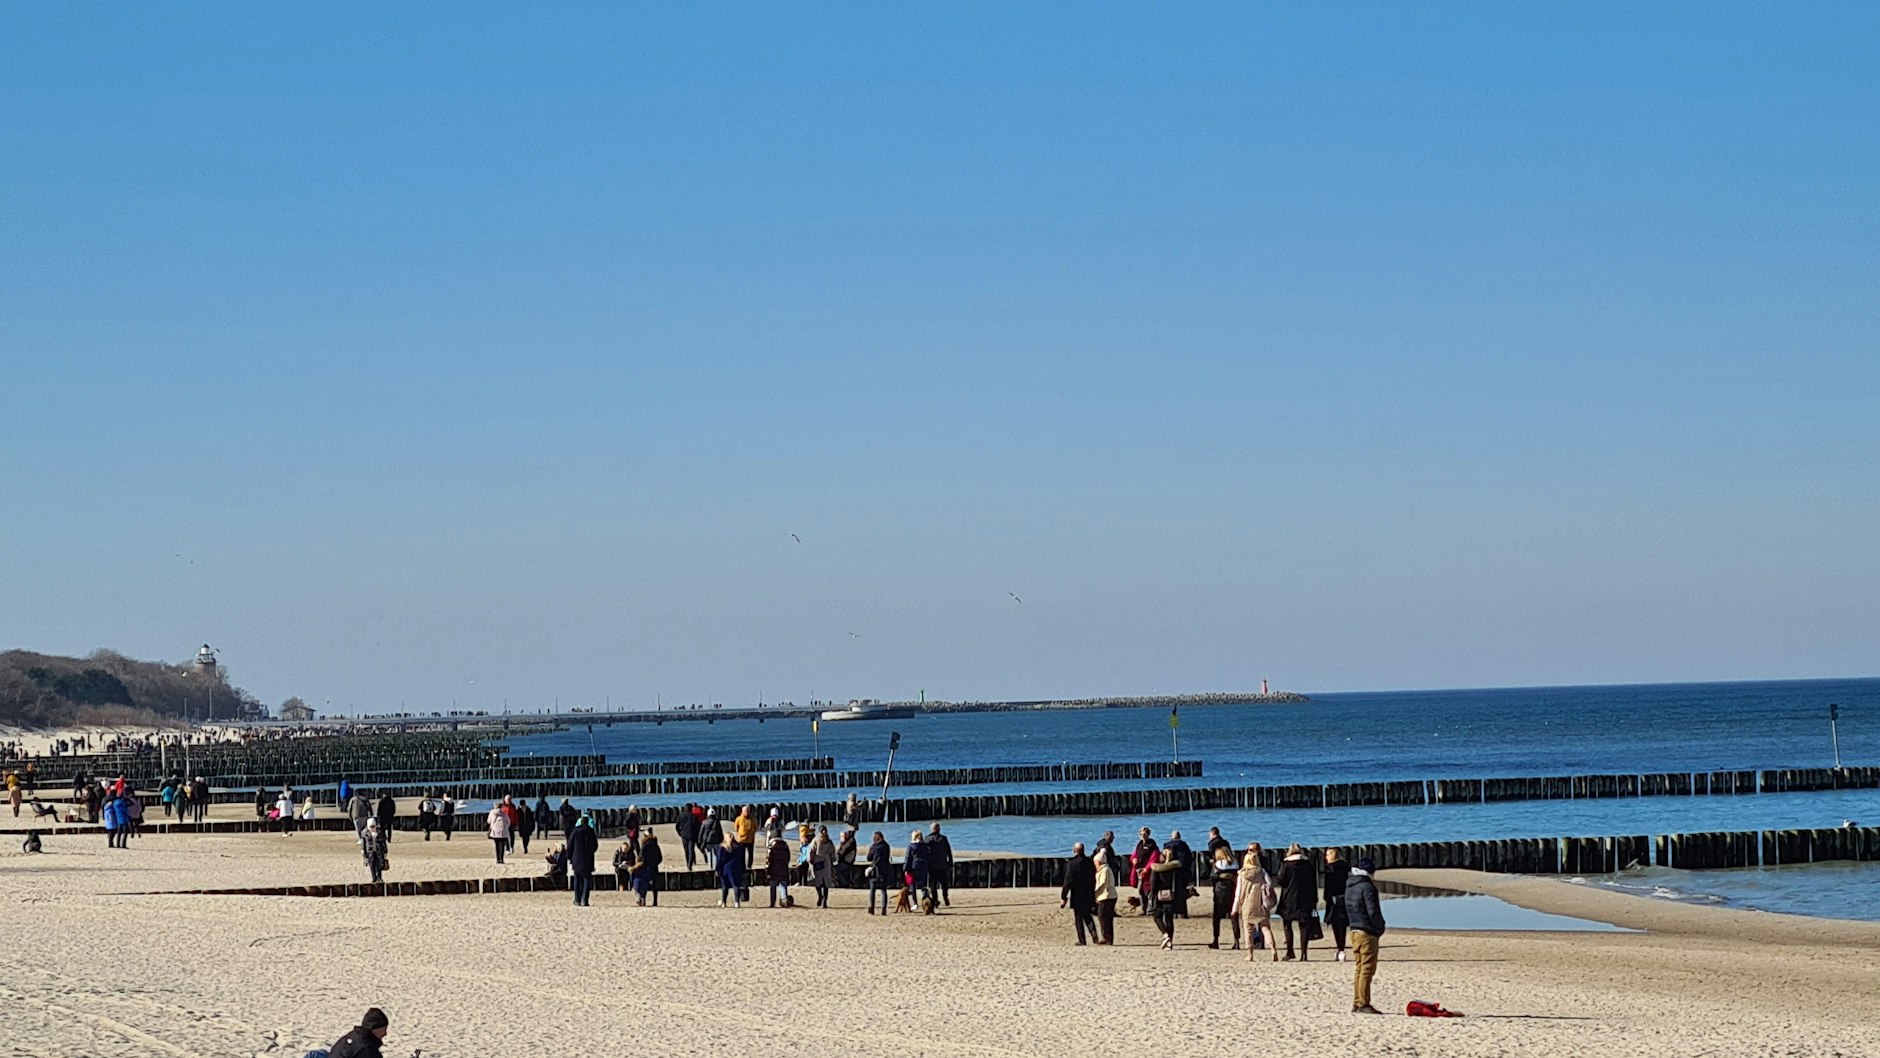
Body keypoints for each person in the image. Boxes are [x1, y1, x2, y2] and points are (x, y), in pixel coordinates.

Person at [1346, 856, 1386, 1014]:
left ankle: (1357, 1001)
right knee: (1367, 969)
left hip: (1354, 929)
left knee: (1359, 968)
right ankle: (1363, 1003)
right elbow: (1373, 912)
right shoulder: (1367, 887)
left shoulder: (1350, 885)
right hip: (1366, 931)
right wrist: (1380, 927)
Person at [1233, 842, 1279, 960]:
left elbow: (1238, 893)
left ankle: (1250, 954)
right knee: (1265, 927)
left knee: (1248, 929)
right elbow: (1269, 885)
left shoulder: (1242, 875)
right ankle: (1273, 949)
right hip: (1260, 902)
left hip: (1247, 905)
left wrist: (1235, 908)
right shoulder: (1262, 872)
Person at [1276, 843, 1319, 961]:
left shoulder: (1286, 865)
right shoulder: (1308, 864)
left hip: (1289, 898)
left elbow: (1280, 881)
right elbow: (1313, 882)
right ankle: (1304, 954)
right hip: (1305, 898)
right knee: (1304, 926)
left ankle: (1290, 951)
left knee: (1287, 925)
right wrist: (1315, 899)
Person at [1146, 844, 1186, 948]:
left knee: (1157, 917)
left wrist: (1152, 894)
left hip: (1159, 897)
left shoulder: (1157, 869)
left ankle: (1165, 935)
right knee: (1169, 919)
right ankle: (1170, 942)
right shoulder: (1176, 869)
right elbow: (1180, 883)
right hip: (1171, 896)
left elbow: (1153, 884)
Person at [1060, 841, 1098, 945]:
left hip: (1077, 894)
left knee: (1078, 918)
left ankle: (1082, 940)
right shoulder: (1089, 862)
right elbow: (1093, 877)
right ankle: (1094, 934)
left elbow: (1068, 881)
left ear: (1074, 850)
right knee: (1087, 916)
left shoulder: (1072, 863)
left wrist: (1063, 896)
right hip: (1088, 892)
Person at [1208, 841, 1241, 949]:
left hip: (1220, 892)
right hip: (1232, 891)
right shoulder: (1235, 863)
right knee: (1233, 916)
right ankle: (1237, 940)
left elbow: (1212, 877)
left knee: (1217, 918)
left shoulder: (1218, 865)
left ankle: (1216, 940)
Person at [1322, 847, 1352, 961]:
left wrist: (1326, 898)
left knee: (1336, 925)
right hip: (1344, 898)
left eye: (1328, 855)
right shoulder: (1346, 867)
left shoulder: (1330, 869)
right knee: (1342, 925)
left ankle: (1340, 949)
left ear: (1333, 855)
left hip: (1334, 900)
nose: (1326, 857)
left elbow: (1328, 886)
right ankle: (1341, 949)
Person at [326, 1006, 390, 1058]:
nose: (385, 1033)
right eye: (384, 1029)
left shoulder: (354, 1036)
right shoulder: (366, 1049)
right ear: (375, 1029)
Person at [568, 812, 599, 906]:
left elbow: (570, 845)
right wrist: (590, 851)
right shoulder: (591, 831)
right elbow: (595, 845)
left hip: (576, 858)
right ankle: (584, 900)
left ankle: (577, 899)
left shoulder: (575, 831)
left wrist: (569, 856)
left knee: (577, 879)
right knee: (586, 879)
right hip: (588, 858)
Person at [1163, 829, 1194, 919]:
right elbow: (1189, 858)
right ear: (1179, 836)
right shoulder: (1183, 845)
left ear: (1171, 837)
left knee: (1170, 892)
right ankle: (1183, 913)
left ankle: (1171, 912)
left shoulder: (1167, 845)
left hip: (1170, 871)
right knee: (1181, 893)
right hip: (1181, 872)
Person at [1091, 845, 1119, 944]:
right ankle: (1107, 937)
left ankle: (1107, 938)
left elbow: (1102, 883)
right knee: (1105, 918)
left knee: (1104, 917)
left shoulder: (1105, 870)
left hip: (1106, 897)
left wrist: (1094, 893)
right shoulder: (1104, 869)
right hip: (1107, 896)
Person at [805, 825, 836, 908]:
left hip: (817, 861)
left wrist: (810, 860)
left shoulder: (815, 840)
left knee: (817, 882)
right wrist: (833, 861)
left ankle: (820, 896)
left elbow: (811, 851)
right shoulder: (829, 841)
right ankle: (825, 901)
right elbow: (833, 853)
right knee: (826, 883)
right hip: (827, 862)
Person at [1130, 828, 1159, 915]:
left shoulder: (1152, 845)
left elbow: (1155, 857)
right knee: (1140, 891)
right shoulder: (1139, 845)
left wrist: (1147, 868)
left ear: (1148, 834)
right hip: (1139, 871)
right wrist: (1133, 860)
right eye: (1141, 834)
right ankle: (1144, 909)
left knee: (1149, 891)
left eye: (1144, 834)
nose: (1143, 836)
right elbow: (1134, 855)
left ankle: (1151, 910)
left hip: (1148, 872)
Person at [866, 830, 894, 915]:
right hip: (884, 870)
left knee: (872, 890)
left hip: (875, 870)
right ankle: (884, 909)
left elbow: (869, 858)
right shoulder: (886, 846)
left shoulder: (874, 847)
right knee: (883, 891)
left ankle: (872, 908)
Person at [927, 822, 954, 908]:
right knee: (944, 884)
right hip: (943, 864)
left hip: (932, 866)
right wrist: (950, 862)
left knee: (933, 885)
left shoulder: (927, 839)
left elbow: (925, 853)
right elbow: (949, 852)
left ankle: (935, 900)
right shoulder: (944, 839)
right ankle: (945, 897)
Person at [633, 831, 664, 906]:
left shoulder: (644, 845)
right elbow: (660, 857)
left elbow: (641, 856)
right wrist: (655, 863)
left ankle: (644, 899)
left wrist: (639, 863)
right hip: (654, 867)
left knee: (645, 883)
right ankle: (655, 901)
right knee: (654, 885)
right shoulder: (656, 845)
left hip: (645, 867)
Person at [715, 834, 744, 908]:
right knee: (736, 885)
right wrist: (743, 868)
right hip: (736, 867)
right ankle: (737, 902)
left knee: (725, 886)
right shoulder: (739, 847)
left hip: (725, 868)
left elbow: (719, 860)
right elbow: (742, 859)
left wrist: (717, 869)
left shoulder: (723, 848)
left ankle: (724, 902)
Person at [904, 829, 931, 909]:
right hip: (923, 867)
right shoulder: (925, 846)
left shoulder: (911, 846)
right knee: (923, 886)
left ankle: (915, 903)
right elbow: (928, 856)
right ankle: (925, 901)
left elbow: (908, 858)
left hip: (913, 867)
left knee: (912, 885)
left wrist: (906, 869)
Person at [765, 834, 792, 908]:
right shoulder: (785, 846)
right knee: (783, 884)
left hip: (773, 869)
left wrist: (767, 869)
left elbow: (769, 859)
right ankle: (784, 900)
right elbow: (788, 857)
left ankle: (772, 903)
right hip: (783, 867)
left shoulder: (772, 846)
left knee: (773, 886)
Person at [362, 817, 389, 883]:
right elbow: (364, 844)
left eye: (373, 826)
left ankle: (379, 877)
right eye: (371, 827)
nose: (372, 828)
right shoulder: (365, 833)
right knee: (371, 865)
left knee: (379, 864)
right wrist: (364, 854)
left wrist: (385, 851)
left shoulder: (379, 832)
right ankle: (373, 878)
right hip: (370, 851)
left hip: (379, 851)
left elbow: (383, 842)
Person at [487, 798, 513, 864]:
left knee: (497, 845)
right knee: (502, 845)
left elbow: (488, 821)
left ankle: (497, 859)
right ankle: (501, 859)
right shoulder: (504, 814)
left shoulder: (492, 813)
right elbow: (508, 822)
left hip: (495, 831)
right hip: (503, 831)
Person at [674, 801, 699, 870]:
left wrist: (680, 833)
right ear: (691, 809)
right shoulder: (694, 816)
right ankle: (689, 864)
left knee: (686, 850)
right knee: (691, 849)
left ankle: (687, 862)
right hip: (692, 835)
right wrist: (697, 834)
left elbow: (677, 826)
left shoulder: (681, 815)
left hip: (684, 835)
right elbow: (698, 826)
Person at [734, 805, 757, 871]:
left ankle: (749, 866)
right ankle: (742, 867)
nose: (747, 812)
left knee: (750, 854)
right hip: (742, 840)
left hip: (750, 839)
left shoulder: (753, 819)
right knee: (741, 854)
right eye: (745, 811)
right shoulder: (739, 819)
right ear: (742, 811)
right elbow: (736, 827)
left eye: (748, 810)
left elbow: (756, 827)